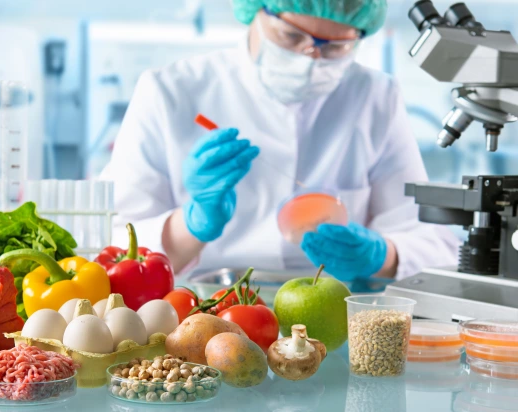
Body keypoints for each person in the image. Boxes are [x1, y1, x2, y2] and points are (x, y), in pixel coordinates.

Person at [102, 0, 459, 281]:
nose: (310, 58)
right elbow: (113, 247)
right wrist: (190, 225)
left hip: (334, 315)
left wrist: (384, 256)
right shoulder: (170, 91)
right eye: (290, 37)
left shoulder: (375, 97)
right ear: (255, 10)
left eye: (335, 47)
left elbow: (433, 242)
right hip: (200, 316)